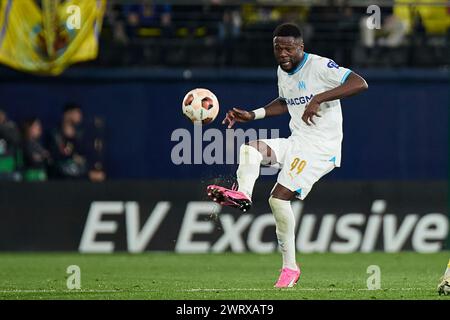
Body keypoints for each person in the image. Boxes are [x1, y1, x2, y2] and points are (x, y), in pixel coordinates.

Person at [207, 23, 368, 288]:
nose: (283, 53)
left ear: (301, 47)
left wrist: (318, 98)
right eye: (278, 48)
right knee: (250, 149)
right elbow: (285, 102)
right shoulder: (283, 71)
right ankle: (243, 195)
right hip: (297, 141)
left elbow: (359, 83)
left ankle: (289, 268)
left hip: (321, 148)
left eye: (289, 49)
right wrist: (252, 115)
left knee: (278, 199)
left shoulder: (319, 66)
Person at [21, 117, 51, 181]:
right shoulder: (26, 144)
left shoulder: (37, 144)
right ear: (28, 128)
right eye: (36, 126)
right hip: (30, 177)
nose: (39, 129)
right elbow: (33, 159)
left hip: (41, 176)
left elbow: (47, 157)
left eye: (39, 126)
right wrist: (43, 156)